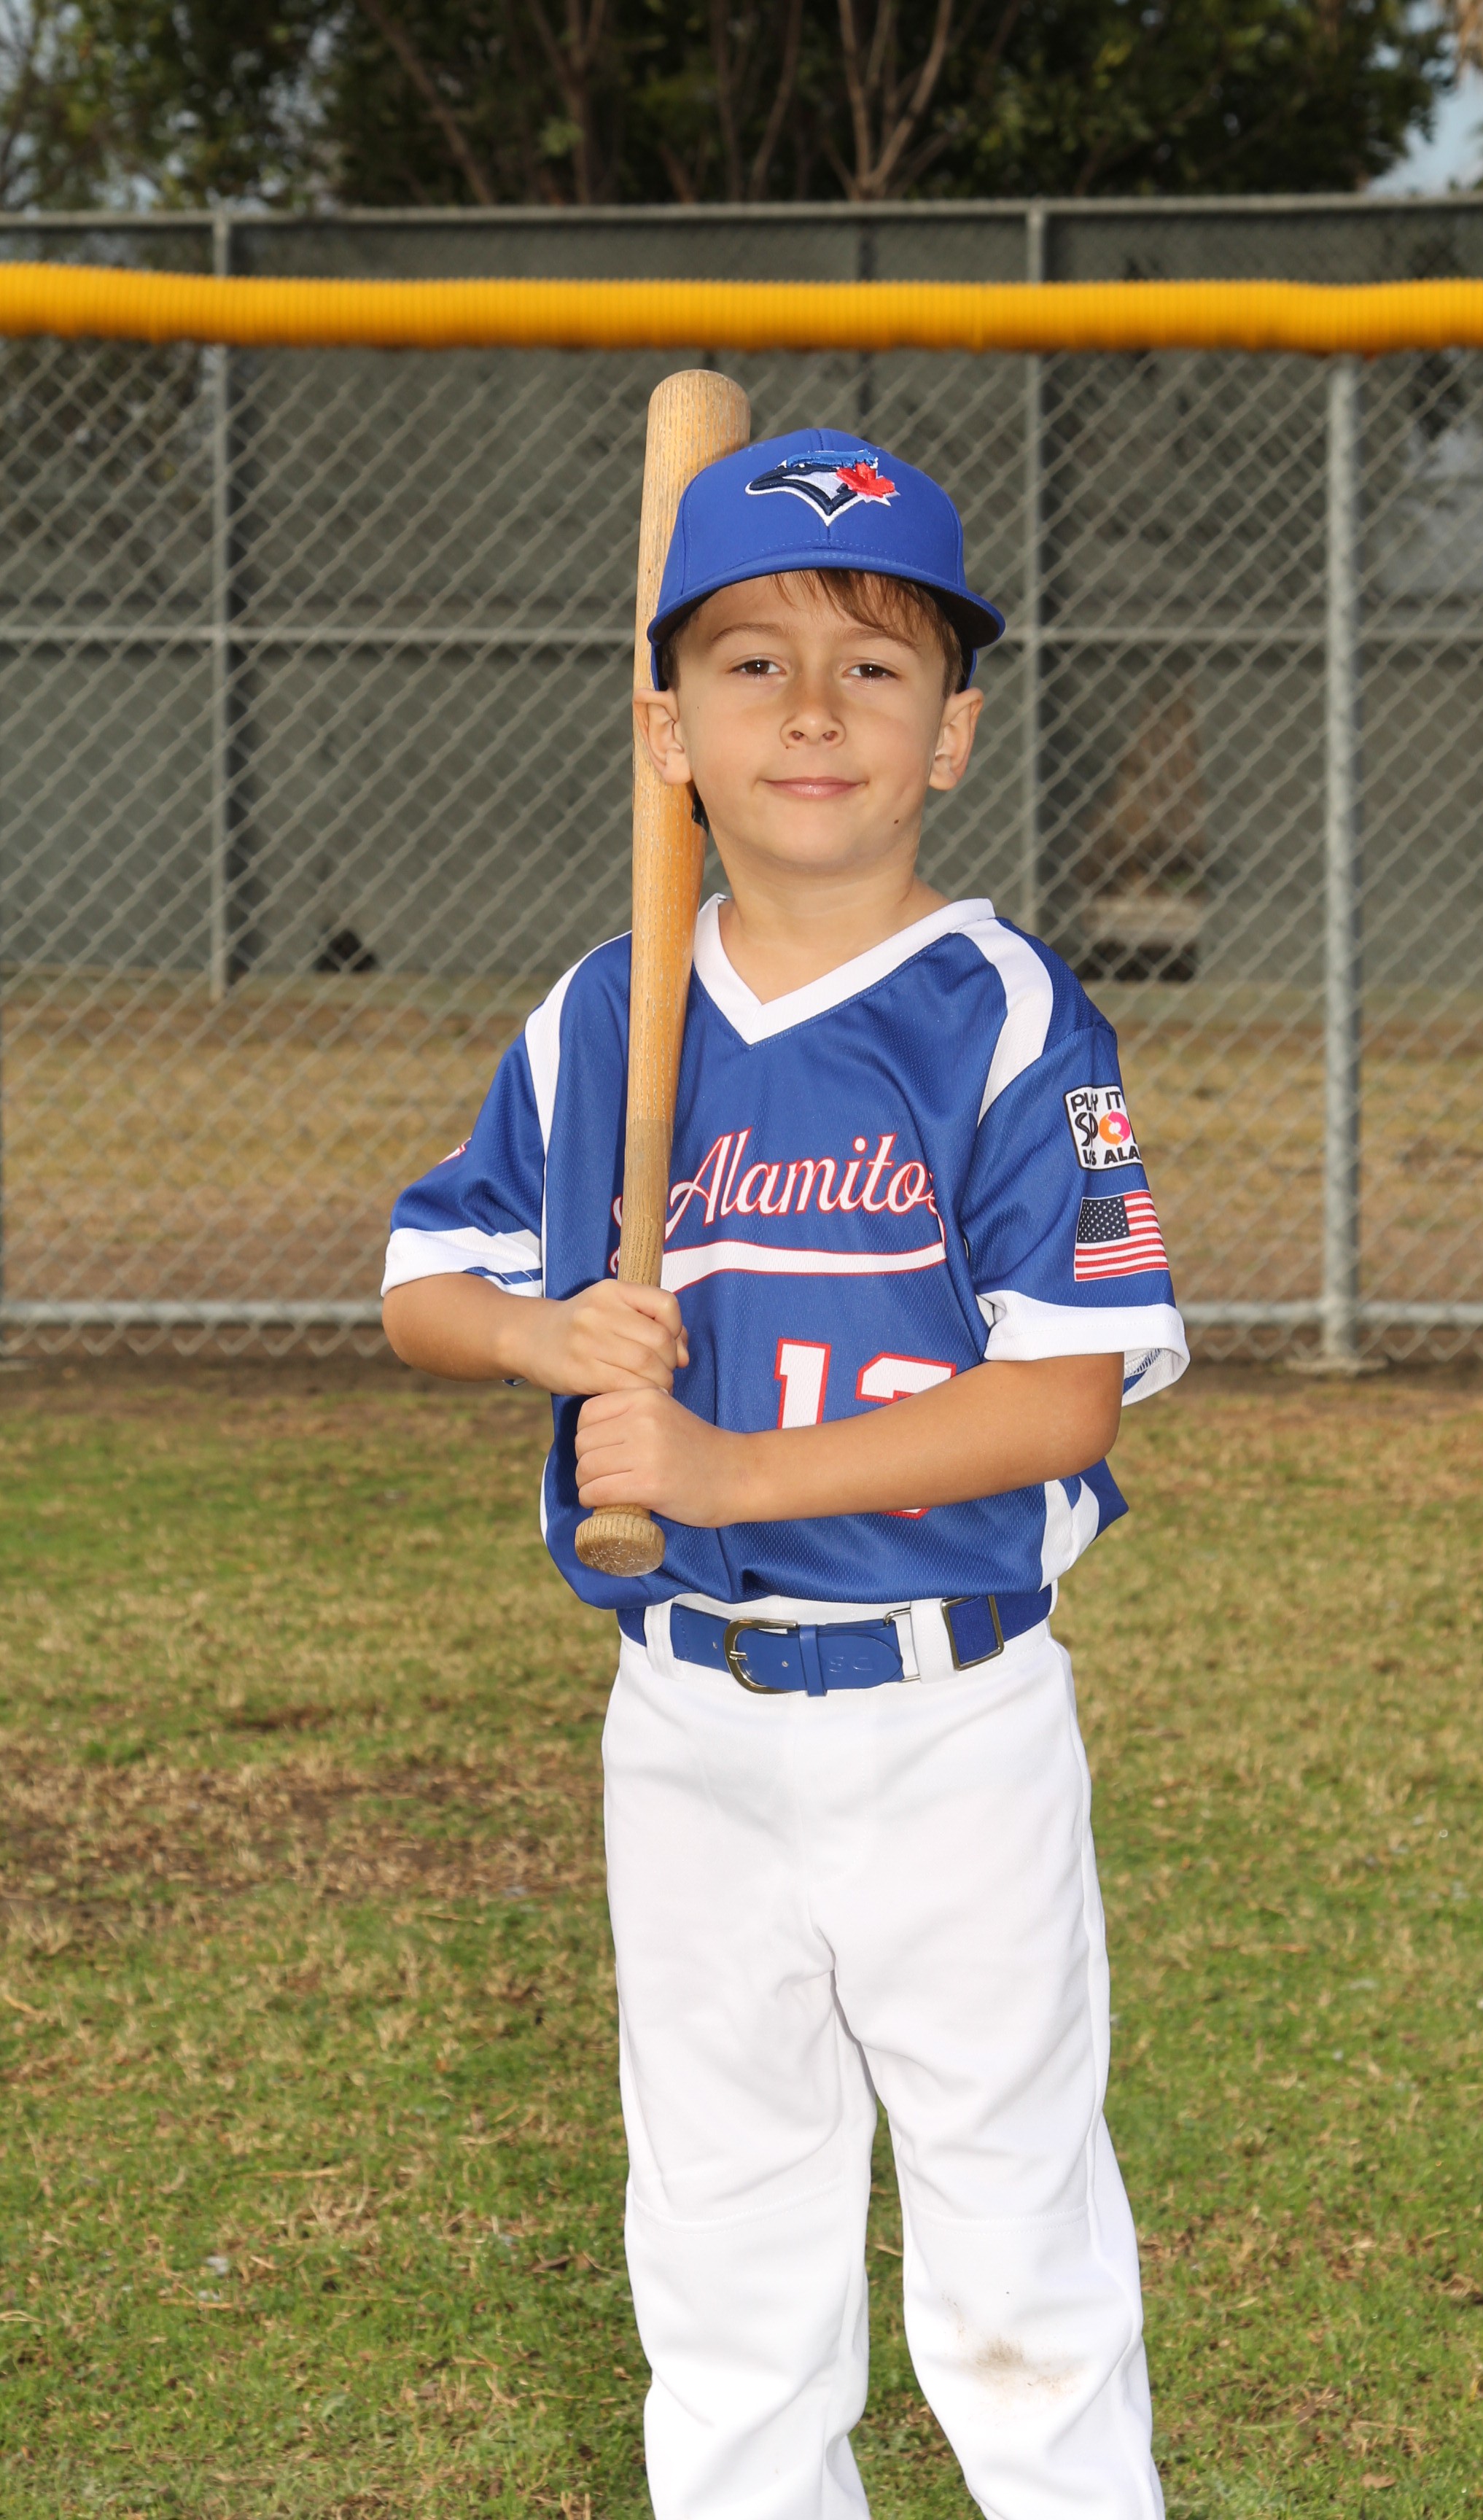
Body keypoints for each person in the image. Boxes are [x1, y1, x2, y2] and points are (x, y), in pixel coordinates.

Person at [381, 426, 1188, 2520]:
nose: (813, 711)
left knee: (1014, 2242)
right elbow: (425, 1284)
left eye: (875, 668)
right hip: (686, 1721)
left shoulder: (1007, 1019)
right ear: (667, 730)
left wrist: (730, 1471)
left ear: (953, 735)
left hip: (950, 1718)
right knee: (725, 2247)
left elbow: (1062, 1406)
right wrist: (546, 1337)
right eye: (750, 664)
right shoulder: (603, 1015)